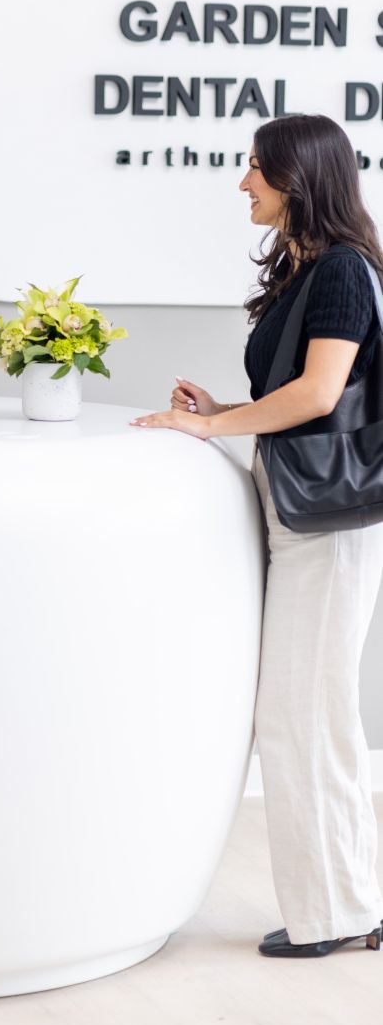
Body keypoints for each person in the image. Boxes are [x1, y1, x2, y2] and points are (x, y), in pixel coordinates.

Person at [131, 113, 383, 959]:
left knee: (301, 715)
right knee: (315, 715)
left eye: (255, 170)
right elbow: (294, 390)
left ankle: (333, 917)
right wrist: (224, 410)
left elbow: (317, 395)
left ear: (297, 178)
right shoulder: (312, 270)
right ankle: (348, 904)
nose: (243, 183)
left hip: (328, 522)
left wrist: (214, 430)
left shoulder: (344, 270)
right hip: (304, 512)